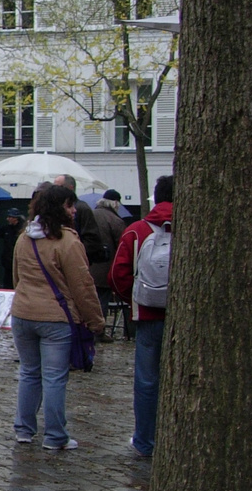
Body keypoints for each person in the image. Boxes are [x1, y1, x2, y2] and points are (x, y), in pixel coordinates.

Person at [9, 184, 104, 450]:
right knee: (54, 377)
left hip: (23, 313)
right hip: (55, 319)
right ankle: (55, 436)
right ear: (59, 208)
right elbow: (82, 286)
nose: (74, 210)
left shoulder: (24, 237)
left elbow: (17, 277)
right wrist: (96, 321)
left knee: (29, 372)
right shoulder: (68, 241)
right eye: (69, 205)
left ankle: (24, 429)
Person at [110, 174, 173, 458]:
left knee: (147, 381)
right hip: (183, 316)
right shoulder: (200, 226)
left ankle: (145, 440)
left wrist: (133, 298)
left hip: (147, 314)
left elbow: (118, 274)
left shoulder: (137, 230)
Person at [89, 188, 127, 338]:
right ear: (115, 203)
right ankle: (99, 331)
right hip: (104, 269)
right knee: (101, 301)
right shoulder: (116, 221)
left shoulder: (89, 214)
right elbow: (122, 246)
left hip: (86, 266)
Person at [52, 174, 106, 264]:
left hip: (75, 262)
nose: (54, 190)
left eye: (59, 187)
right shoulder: (54, 208)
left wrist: (73, 252)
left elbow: (92, 241)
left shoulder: (82, 208)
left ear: (71, 188)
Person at [0, 210, 25, 290]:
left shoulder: (21, 230)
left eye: (9, 217)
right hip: (7, 263)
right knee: (7, 283)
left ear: (15, 218)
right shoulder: (7, 229)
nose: (7, 219)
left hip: (18, 262)